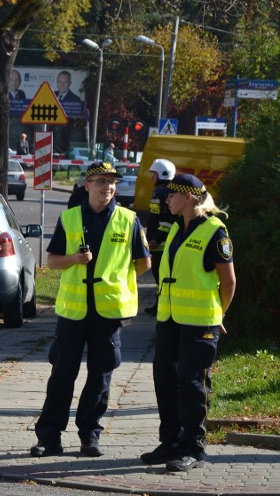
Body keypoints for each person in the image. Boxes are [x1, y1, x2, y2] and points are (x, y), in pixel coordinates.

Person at [31, 161, 151, 458]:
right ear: (87, 185)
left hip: (108, 313)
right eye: (100, 181)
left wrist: (118, 281)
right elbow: (52, 261)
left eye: (111, 182)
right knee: (62, 375)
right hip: (73, 312)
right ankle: (50, 437)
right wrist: (75, 259)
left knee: (100, 377)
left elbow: (143, 262)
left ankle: (90, 436)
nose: (107, 187)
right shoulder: (70, 218)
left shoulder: (128, 219)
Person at [140, 174, 235, 473]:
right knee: (164, 380)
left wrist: (219, 315)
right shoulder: (177, 228)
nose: (166, 199)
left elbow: (229, 281)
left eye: (171, 195)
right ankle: (170, 442)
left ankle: (193, 447)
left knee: (193, 384)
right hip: (170, 319)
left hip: (200, 322)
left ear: (190, 197)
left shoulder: (215, 232)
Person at [144, 159, 176, 315]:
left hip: (161, 244)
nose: (152, 178)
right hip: (160, 243)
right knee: (159, 278)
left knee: (160, 277)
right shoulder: (164, 191)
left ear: (160, 175)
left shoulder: (163, 193)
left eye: (153, 174)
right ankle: (158, 305)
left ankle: (161, 307)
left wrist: (156, 240)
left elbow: (166, 221)